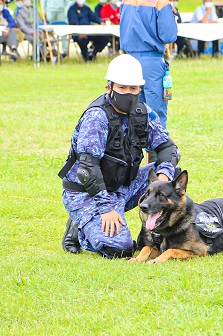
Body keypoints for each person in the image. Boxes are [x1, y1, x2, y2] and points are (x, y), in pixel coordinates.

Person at [59, 54, 180, 258]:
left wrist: (163, 180)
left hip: (122, 185)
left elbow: (168, 148)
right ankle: (80, 225)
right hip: (87, 192)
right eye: (122, 88)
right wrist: (106, 209)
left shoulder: (143, 113)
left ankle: (158, 232)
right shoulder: (97, 117)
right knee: (120, 248)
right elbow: (87, 170)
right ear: (109, 88)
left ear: (139, 89)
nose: (128, 93)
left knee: (174, 176)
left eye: (133, 88)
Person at [120, 0, 177, 129]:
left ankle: (133, 146)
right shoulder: (161, 2)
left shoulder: (126, 1)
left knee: (132, 109)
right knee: (155, 112)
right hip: (152, 60)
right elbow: (168, 36)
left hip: (130, 59)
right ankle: (156, 147)